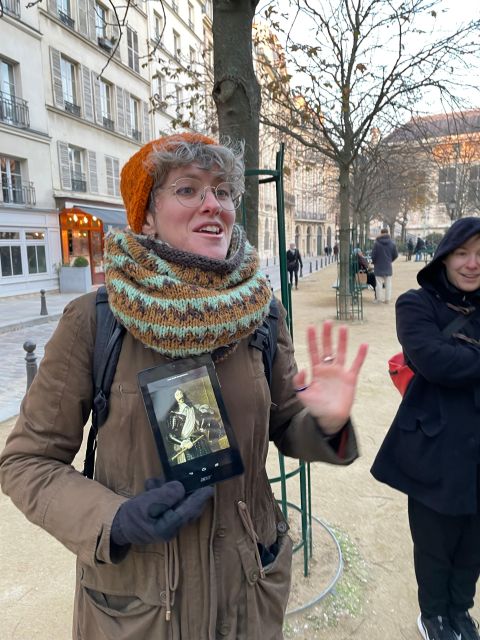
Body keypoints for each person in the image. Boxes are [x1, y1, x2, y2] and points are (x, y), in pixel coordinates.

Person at [0, 132, 368, 640]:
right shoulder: (95, 321)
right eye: (188, 189)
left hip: (248, 596)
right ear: (146, 214)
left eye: (222, 190)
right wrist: (114, 520)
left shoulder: (262, 314)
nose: (212, 204)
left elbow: (286, 424)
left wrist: (325, 424)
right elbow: (26, 463)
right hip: (141, 610)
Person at [371, 217, 480, 640]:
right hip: (435, 448)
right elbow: (433, 361)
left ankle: (460, 611)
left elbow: (452, 363)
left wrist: (463, 361)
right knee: (435, 543)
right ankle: (433, 614)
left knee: (473, 543)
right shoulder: (416, 303)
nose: (472, 264)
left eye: (479, 255)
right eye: (462, 253)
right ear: (445, 257)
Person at [167, 389, 219, 464]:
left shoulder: (191, 409)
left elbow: (203, 417)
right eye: (177, 394)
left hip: (200, 442)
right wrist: (183, 443)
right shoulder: (173, 415)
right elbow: (170, 436)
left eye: (181, 393)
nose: (180, 395)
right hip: (188, 446)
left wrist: (207, 411)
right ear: (173, 399)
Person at [371, 227, 398, 304]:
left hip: (378, 266)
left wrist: (374, 262)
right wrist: (390, 260)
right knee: (388, 284)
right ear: (388, 233)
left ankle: (379, 299)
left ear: (381, 233)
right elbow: (396, 255)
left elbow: (373, 255)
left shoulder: (376, 243)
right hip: (388, 266)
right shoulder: (392, 243)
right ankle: (387, 299)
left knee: (378, 284)